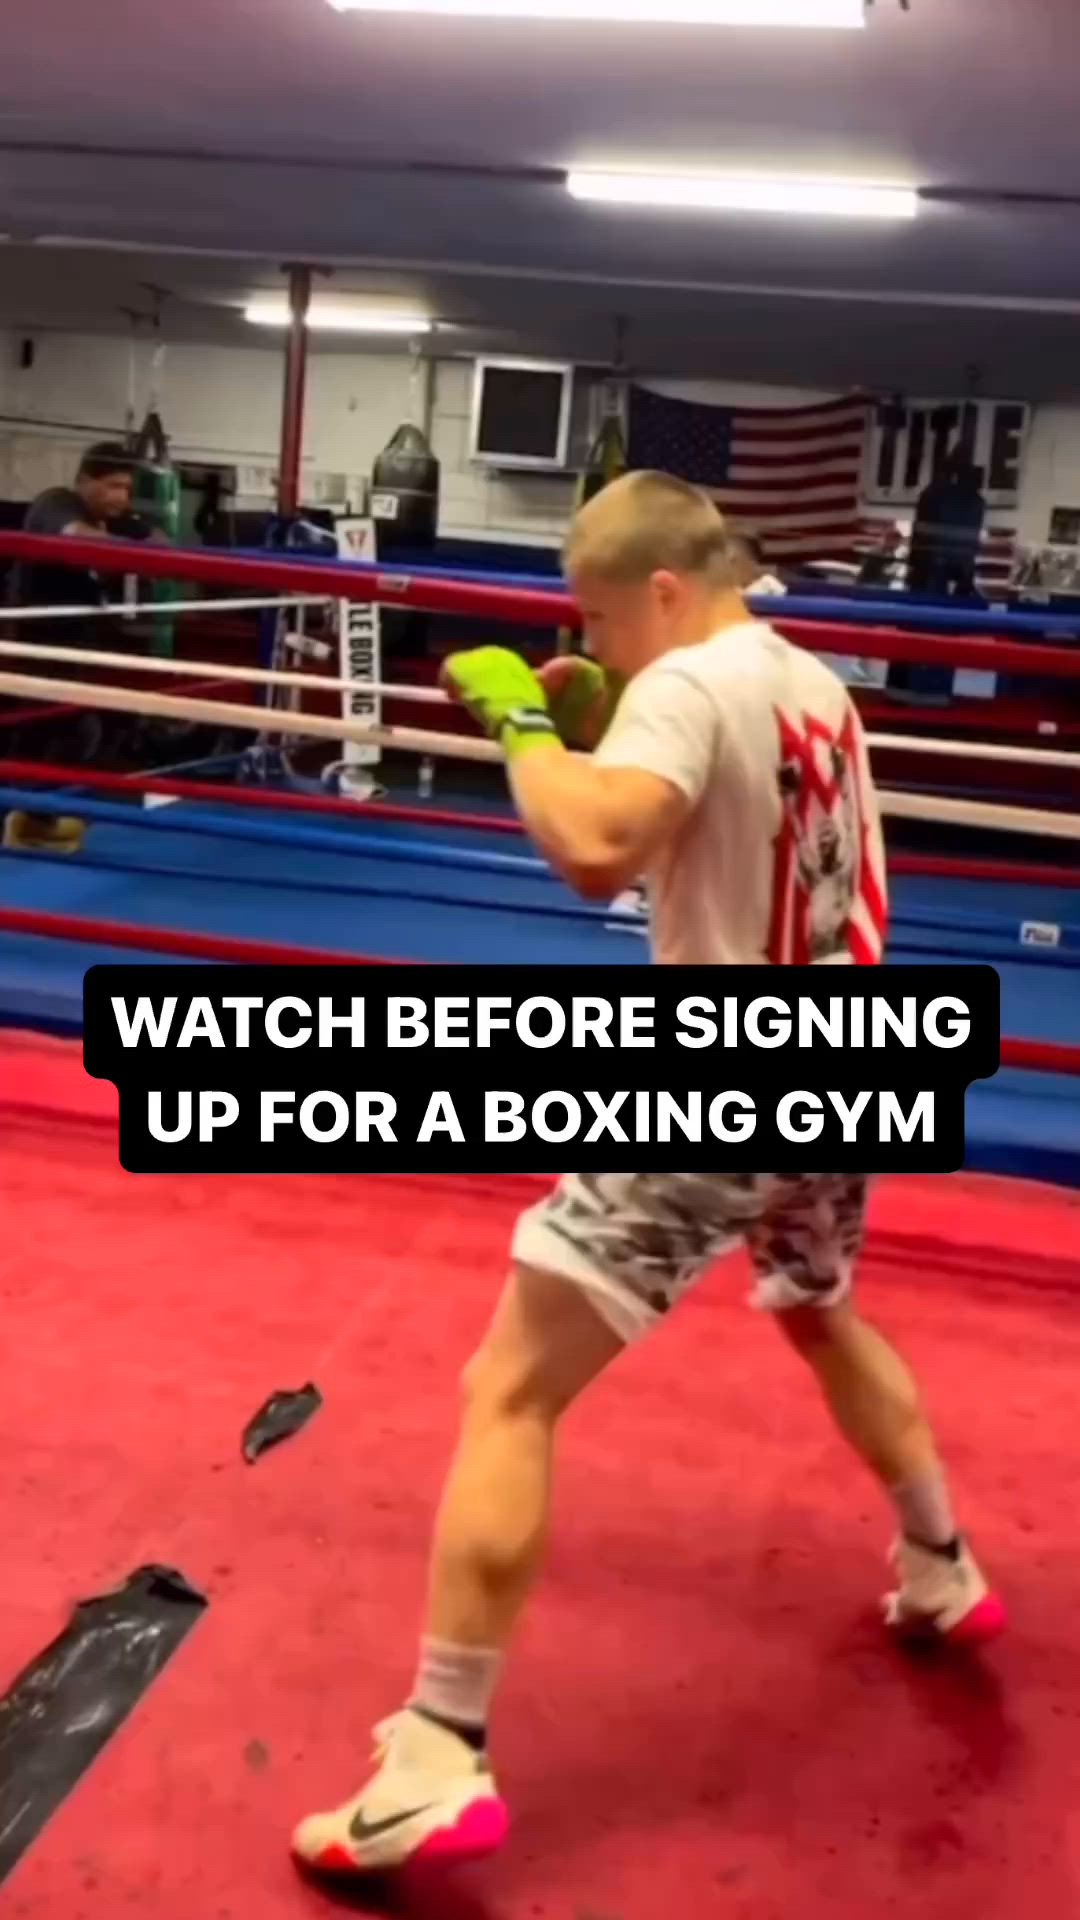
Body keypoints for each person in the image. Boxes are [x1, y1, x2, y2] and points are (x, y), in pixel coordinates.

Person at [292, 471, 1004, 1882]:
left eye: (601, 619)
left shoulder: (682, 682)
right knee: (815, 1308)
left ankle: (437, 1756)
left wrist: (512, 726)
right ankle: (942, 1564)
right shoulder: (811, 678)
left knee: (509, 1387)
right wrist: (596, 718)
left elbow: (596, 845)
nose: (599, 645)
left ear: (664, 593)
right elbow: (732, 807)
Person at [3, 442, 139, 852]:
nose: (121, 497)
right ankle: (25, 818)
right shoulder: (55, 503)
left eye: (127, 489)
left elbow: (153, 539)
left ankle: (32, 820)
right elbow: (78, 539)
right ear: (84, 481)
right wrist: (136, 549)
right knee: (43, 735)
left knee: (68, 734)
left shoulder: (112, 521)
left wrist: (149, 539)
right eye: (113, 486)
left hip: (64, 651)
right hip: (30, 650)